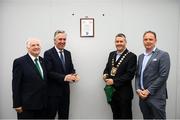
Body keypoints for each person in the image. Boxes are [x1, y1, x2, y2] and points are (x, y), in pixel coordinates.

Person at [44, 30, 79, 119]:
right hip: (52, 93)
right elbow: (49, 72)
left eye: (64, 39)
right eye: (60, 39)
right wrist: (65, 77)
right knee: (50, 116)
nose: (62, 41)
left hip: (65, 92)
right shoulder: (48, 53)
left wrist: (74, 75)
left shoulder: (68, 53)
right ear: (54, 40)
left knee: (64, 116)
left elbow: (71, 68)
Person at [135, 31, 170, 119]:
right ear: (143, 41)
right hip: (142, 97)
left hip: (156, 97)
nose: (148, 41)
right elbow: (138, 75)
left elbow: (163, 76)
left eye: (151, 39)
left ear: (155, 40)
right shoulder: (140, 57)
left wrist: (148, 91)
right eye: (145, 39)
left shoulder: (163, 55)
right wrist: (138, 89)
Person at [103, 33, 137, 119]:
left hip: (124, 94)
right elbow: (107, 68)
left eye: (121, 41)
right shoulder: (112, 54)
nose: (119, 43)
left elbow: (129, 75)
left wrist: (114, 81)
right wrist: (105, 74)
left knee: (126, 116)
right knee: (116, 116)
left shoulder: (132, 56)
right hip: (112, 92)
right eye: (117, 41)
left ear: (125, 42)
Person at [12, 38, 47, 119]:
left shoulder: (43, 61)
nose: (36, 47)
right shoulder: (20, 62)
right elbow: (16, 85)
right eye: (33, 45)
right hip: (27, 107)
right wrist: (17, 104)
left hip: (42, 106)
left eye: (38, 45)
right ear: (28, 48)